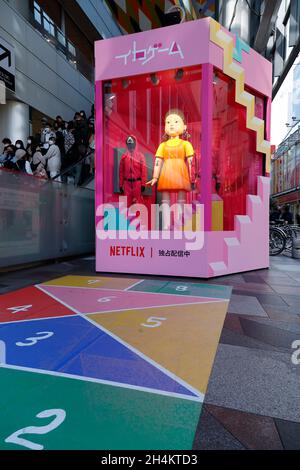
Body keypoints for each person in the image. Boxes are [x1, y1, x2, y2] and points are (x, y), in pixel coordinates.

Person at [147, 108, 195, 229]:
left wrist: (193, 177)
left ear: (184, 127)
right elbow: (158, 161)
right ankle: (166, 227)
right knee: (165, 201)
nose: (171, 124)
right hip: (166, 173)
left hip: (181, 173)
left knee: (181, 201)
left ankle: (179, 226)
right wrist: (155, 177)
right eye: (168, 122)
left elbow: (191, 162)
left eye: (175, 122)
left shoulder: (186, 144)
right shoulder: (162, 145)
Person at [119, 135, 147, 206]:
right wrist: (121, 184)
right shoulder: (124, 157)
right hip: (127, 184)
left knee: (138, 204)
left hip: (137, 183)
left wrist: (143, 184)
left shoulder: (140, 156)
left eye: (131, 143)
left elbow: (143, 171)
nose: (130, 145)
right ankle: (128, 217)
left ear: (135, 144)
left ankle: (138, 217)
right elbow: (121, 172)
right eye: (129, 144)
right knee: (127, 205)